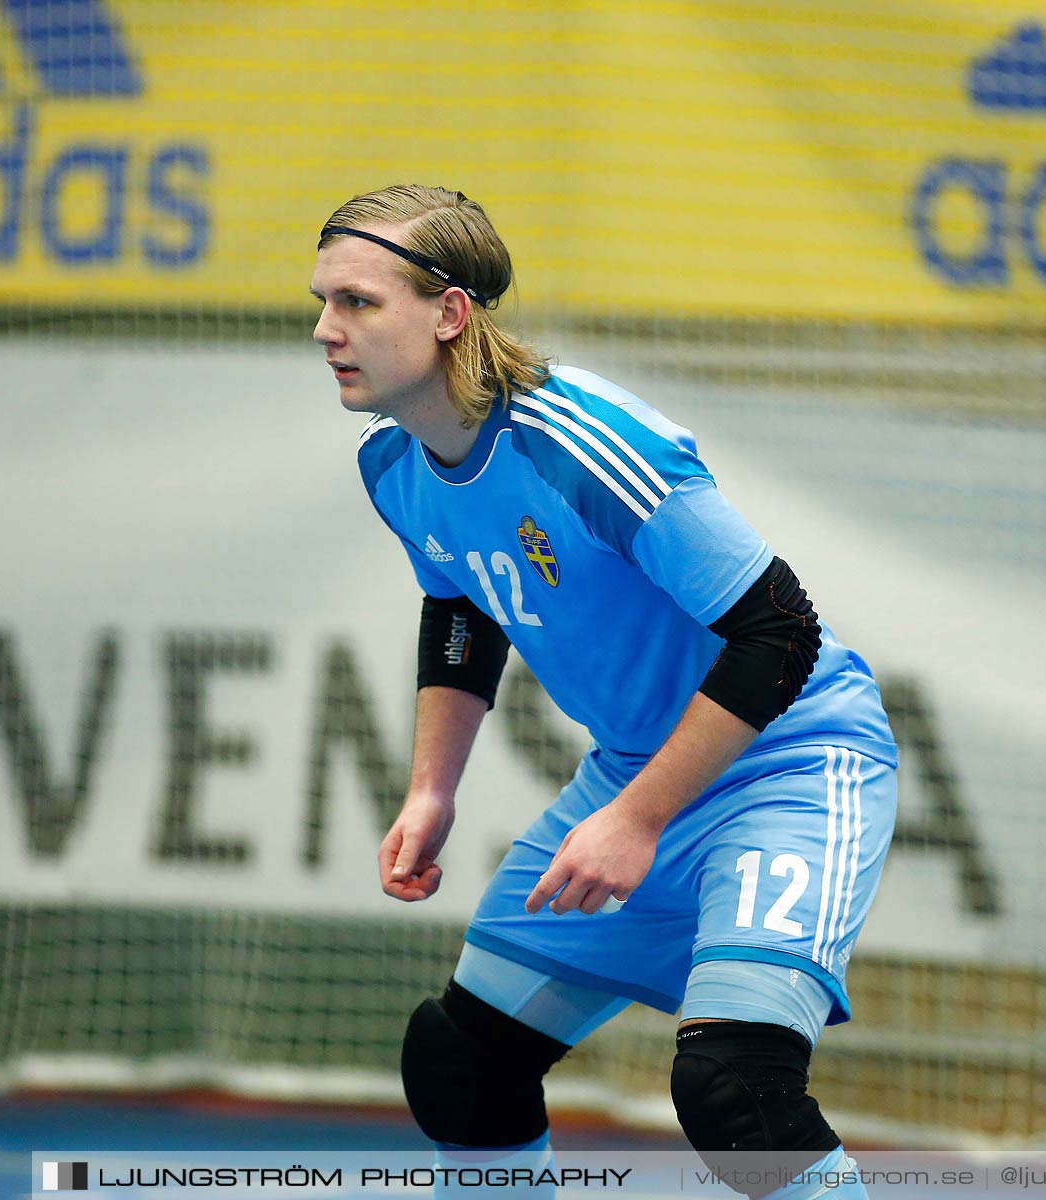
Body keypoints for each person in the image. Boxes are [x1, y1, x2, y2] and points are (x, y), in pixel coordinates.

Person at [313, 185, 897, 1200]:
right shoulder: (395, 465)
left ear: (450, 313)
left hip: (791, 765)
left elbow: (779, 631)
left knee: (737, 1095)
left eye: (359, 303)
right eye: (322, 302)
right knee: (460, 1061)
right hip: (641, 773)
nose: (327, 331)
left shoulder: (578, 439)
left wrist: (636, 818)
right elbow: (461, 608)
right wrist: (430, 791)